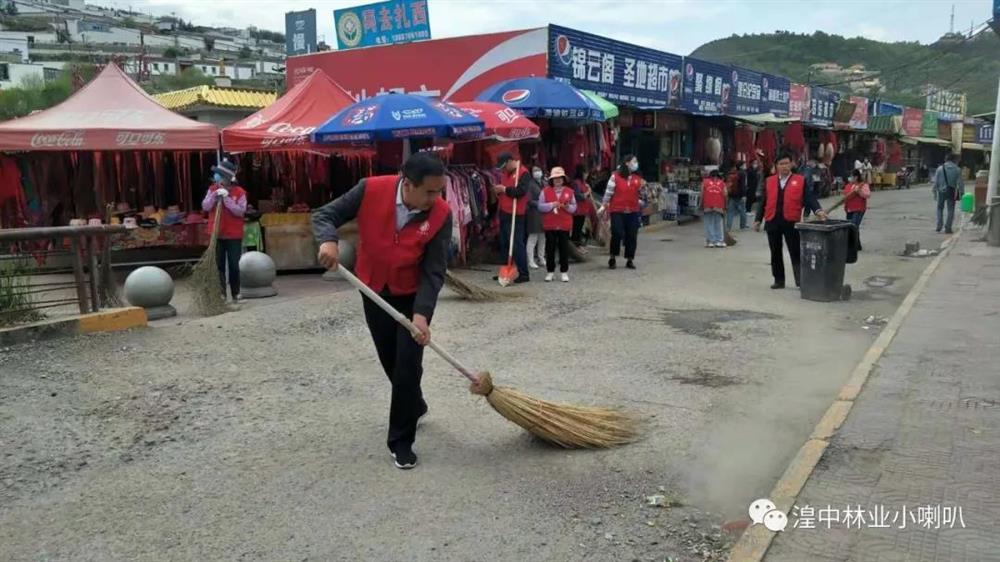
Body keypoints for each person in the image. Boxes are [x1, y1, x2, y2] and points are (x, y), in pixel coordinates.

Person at [312, 152, 452, 470]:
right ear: (408, 184)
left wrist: (422, 316)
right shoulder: (370, 189)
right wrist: (328, 241)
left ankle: (401, 441)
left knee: (407, 366)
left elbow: (434, 271)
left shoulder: (441, 214)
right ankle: (415, 403)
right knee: (391, 361)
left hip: (412, 295)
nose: (436, 198)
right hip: (373, 290)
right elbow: (324, 215)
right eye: (430, 192)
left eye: (439, 191)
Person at [754, 152, 827, 289]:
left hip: (791, 221)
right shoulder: (769, 181)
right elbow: (763, 201)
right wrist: (758, 219)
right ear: (776, 166)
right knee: (775, 252)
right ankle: (779, 280)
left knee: (795, 251)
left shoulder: (800, 180)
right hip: (772, 220)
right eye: (781, 164)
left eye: (787, 163)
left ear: (791, 164)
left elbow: (809, 197)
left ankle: (800, 280)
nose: (784, 166)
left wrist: (818, 210)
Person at [201, 159, 247, 303]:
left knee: (234, 265)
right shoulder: (212, 189)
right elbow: (205, 206)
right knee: (219, 265)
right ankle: (221, 294)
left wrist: (227, 199)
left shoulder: (240, 192)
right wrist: (214, 196)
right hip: (217, 234)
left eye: (220, 175)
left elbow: (240, 211)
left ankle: (236, 293)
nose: (217, 177)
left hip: (233, 235)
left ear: (227, 177)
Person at [600, 154, 644, 270]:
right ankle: (612, 257)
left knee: (632, 235)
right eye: (634, 161)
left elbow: (641, 193)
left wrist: (641, 200)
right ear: (627, 163)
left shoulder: (637, 178)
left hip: (633, 211)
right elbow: (608, 192)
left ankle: (630, 259)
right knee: (617, 233)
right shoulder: (615, 176)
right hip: (617, 210)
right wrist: (604, 204)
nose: (636, 164)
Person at [494, 153, 532, 283]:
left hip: (516, 213)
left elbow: (521, 192)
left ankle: (524, 273)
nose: (503, 169)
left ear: (510, 161)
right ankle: (505, 270)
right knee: (504, 243)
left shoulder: (524, 173)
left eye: (504, 166)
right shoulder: (505, 173)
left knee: (516, 244)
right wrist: (499, 191)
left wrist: (504, 189)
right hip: (504, 211)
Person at [538, 167, 577, 282]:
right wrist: (551, 205)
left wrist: (567, 207)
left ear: (564, 179)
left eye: (560, 178)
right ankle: (550, 272)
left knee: (563, 249)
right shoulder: (545, 191)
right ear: (552, 180)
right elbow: (540, 206)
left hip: (564, 224)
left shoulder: (570, 192)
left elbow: (574, 208)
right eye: (555, 178)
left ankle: (564, 272)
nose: (558, 180)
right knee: (550, 249)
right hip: (550, 224)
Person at [933, 154, 964, 234]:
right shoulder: (957, 169)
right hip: (951, 191)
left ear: (946, 159)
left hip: (941, 191)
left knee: (940, 208)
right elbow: (960, 183)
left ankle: (939, 226)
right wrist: (962, 193)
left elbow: (935, 182)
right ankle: (948, 227)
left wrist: (934, 192)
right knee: (951, 209)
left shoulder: (940, 169)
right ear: (954, 160)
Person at [843, 169, 871, 251]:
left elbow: (868, 195)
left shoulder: (863, 185)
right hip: (849, 209)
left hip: (859, 209)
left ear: (856, 177)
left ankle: (854, 245)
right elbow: (845, 197)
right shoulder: (848, 185)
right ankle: (857, 245)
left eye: (851, 176)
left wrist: (859, 191)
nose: (850, 178)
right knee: (850, 226)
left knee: (854, 226)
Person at [525, 166, 546, 270]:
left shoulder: (544, 183)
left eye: (538, 170)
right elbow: (528, 200)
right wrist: (540, 203)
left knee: (543, 237)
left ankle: (541, 258)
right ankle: (531, 260)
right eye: (535, 171)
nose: (537, 172)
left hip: (544, 213)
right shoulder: (530, 184)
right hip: (534, 213)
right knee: (533, 237)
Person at [702, 169, 727, 248]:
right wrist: (725, 206)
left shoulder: (705, 182)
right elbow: (725, 194)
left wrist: (701, 204)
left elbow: (702, 194)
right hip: (719, 206)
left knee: (709, 223)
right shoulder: (722, 183)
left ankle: (711, 241)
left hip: (708, 205)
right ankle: (719, 241)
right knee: (718, 223)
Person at [571, 165, 593, 246]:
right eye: (585, 173)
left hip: (583, 209)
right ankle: (575, 245)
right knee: (576, 228)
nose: (587, 175)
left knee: (579, 228)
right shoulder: (576, 183)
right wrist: (587, 192)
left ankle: (578, 244)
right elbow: (578, 196)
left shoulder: (584, 183)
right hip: (578, 209)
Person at [726, 161, 749, 231]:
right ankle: (743, 226)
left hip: (732, 195)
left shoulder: (732, 173)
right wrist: (744, 195)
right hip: (740, 195)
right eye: (744, 165)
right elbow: (743, 185)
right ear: (741, 166)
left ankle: (728, 227)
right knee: (743, 211)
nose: (745, 166)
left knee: (730, 212)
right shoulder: (743, 173)